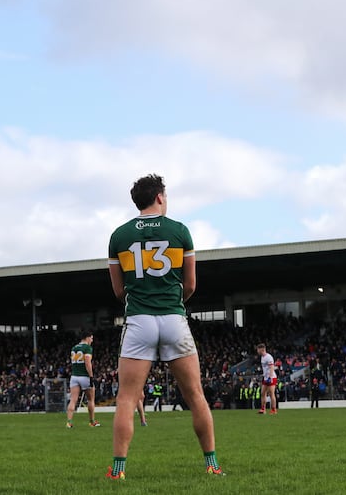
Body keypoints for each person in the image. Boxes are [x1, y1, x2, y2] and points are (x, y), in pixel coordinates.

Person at [106, 174, 222, 480]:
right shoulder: (180, 231)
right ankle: (212, 465)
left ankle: (118, 470)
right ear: (159, 197)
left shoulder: (119, 236)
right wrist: (172, 300)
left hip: (139, 321)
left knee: (127, 399)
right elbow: (192, 285)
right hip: (173, 319)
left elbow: (118, 291)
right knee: (195, 394)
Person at [66, 332, 100, 428]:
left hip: (74, 376)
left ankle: (69, 422)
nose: (92, 341)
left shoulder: (74, 348)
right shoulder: (87, 348)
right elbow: (87, 363)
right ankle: (92, 421)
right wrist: (91, 376)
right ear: (87, 337)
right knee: (90, 399)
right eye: (91, 338)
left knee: (73, 400)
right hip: (84, 376)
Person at [256, 343, 278, 415]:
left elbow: (272, 367)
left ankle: (273, 409)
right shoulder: (262, 357)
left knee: (271, 394)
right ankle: (263, 409)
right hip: (265, 377)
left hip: (271, 377)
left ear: (262, 349)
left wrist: (270, 377)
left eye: (258, 349)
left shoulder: (269, 357)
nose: (257, 351)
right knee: (263, 393)